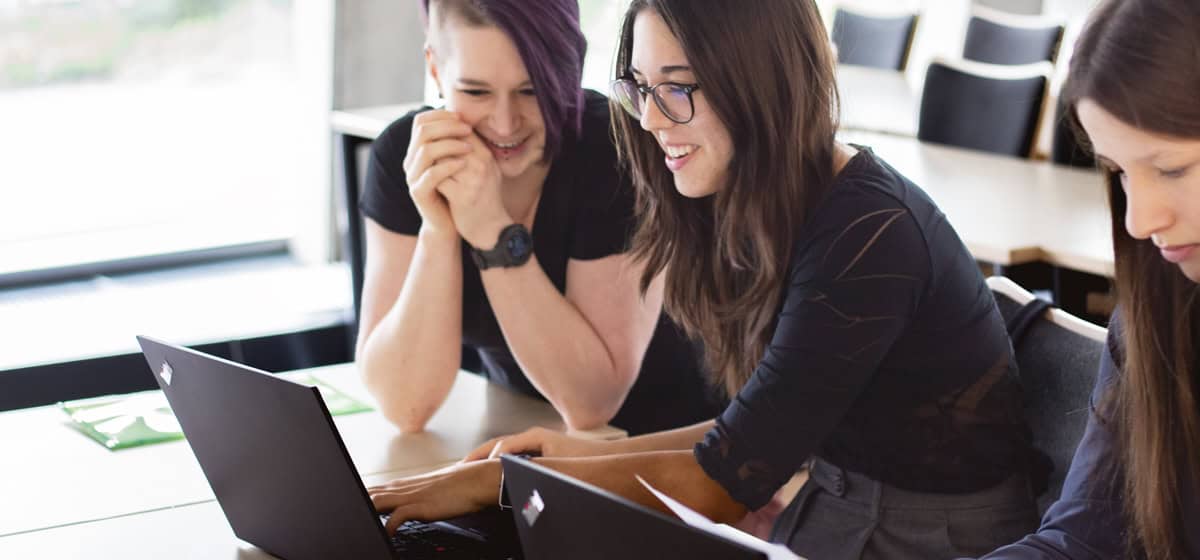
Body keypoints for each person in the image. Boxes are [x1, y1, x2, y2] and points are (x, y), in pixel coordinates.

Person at [367, 1, 1046, 558]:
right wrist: (592, 456)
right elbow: (746, 432)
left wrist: (501, 483)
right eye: (641, 87)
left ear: (758, 80)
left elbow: (728, 480)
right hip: (836, 513)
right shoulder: (767, 202)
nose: (654, 119)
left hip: (930, 542)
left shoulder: (869, 233)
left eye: (680, 88)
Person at [355, 0, 721, 435]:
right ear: (435, 68)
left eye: (531, 90)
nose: (506, 124)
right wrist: (439, 230)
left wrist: (492, 231)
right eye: (476, 92)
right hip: (525, 439)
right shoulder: (408, 156)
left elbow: (592, 404)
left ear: (570, 68)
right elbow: (404, 405)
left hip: (674, 447)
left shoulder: (614, 152)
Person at [977, 1, 1200, 558]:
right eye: (1120, 172)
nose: (1138, 221)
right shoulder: (1161, 308)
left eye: (1171, 169)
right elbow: (1085, 536)